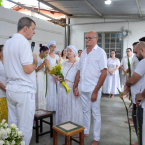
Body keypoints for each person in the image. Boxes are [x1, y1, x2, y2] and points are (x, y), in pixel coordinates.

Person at [3, 17, 37, 145]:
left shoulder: (8, 43)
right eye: (33, 29)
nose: (34, 32)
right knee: (25, 127)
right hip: (23, 90)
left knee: (13, 125)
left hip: (11, 89)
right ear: (25, 28)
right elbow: (28, 69)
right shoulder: (23, 42)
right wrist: (35, 61)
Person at [73, 31, 107, 145]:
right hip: (83, 87)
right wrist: (75, 86)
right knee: (85, 111)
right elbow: (79, 70)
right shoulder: (83, 53)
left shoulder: (100, 52)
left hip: (93, 88)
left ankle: (96, 138)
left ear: (96, 39)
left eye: (89, 38)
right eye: (86, 38)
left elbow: (104, 73)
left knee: (96, 113)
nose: (87, 40)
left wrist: (96, 91)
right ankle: (85, 131)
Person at [122, 42, 145, 145]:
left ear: (143, 50)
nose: (135, 55)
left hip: (140, 99)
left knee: (139, 124)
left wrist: (127, 84)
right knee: (138, 123)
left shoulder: (144, 62)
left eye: (136, 52)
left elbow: (132, 80)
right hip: (138, 97)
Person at [56, 45, 83, 127]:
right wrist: (58, 77)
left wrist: (77, 88)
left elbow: (80, 77)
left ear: (74, 53)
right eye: (67, 51)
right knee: (63, 107)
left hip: (72, 88)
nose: (68, 52)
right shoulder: (63, 63)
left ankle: (73, 127)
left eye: (70, 51)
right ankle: (63, 125)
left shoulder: (78, 64)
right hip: (62, 88)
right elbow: (58, 74)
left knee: (72, 108)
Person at [46, 41, 60, 111]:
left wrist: (57, 75)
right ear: (49, 47)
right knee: (50, 90)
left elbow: (58, 66)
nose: (53, 48)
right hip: (50, 76)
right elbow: (48, 68)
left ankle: (54, 107)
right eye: (52, 46)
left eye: (54, 47)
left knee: (55, 91)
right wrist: (54, 76)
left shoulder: (57, 56)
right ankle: (49, 108)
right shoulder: (47, 56)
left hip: (55, 76)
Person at [35, 44, 49, 110]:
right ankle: (37, 109)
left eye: (47, 53)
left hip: (43, 78)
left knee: (43, 92)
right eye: (46, 53)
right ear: (41, 51)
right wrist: (43, 64)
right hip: (38, 78)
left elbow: (44, 70)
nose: (46, 55)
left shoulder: (44, 59)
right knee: (38, 92)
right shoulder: (36, 58)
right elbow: (35, 70)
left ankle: (42, 109)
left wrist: (46, 70)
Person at [0, 45, 8, 123]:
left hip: (8, 92)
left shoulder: (6, 62)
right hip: (2, 93)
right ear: (1, 53)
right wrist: (6, 89)